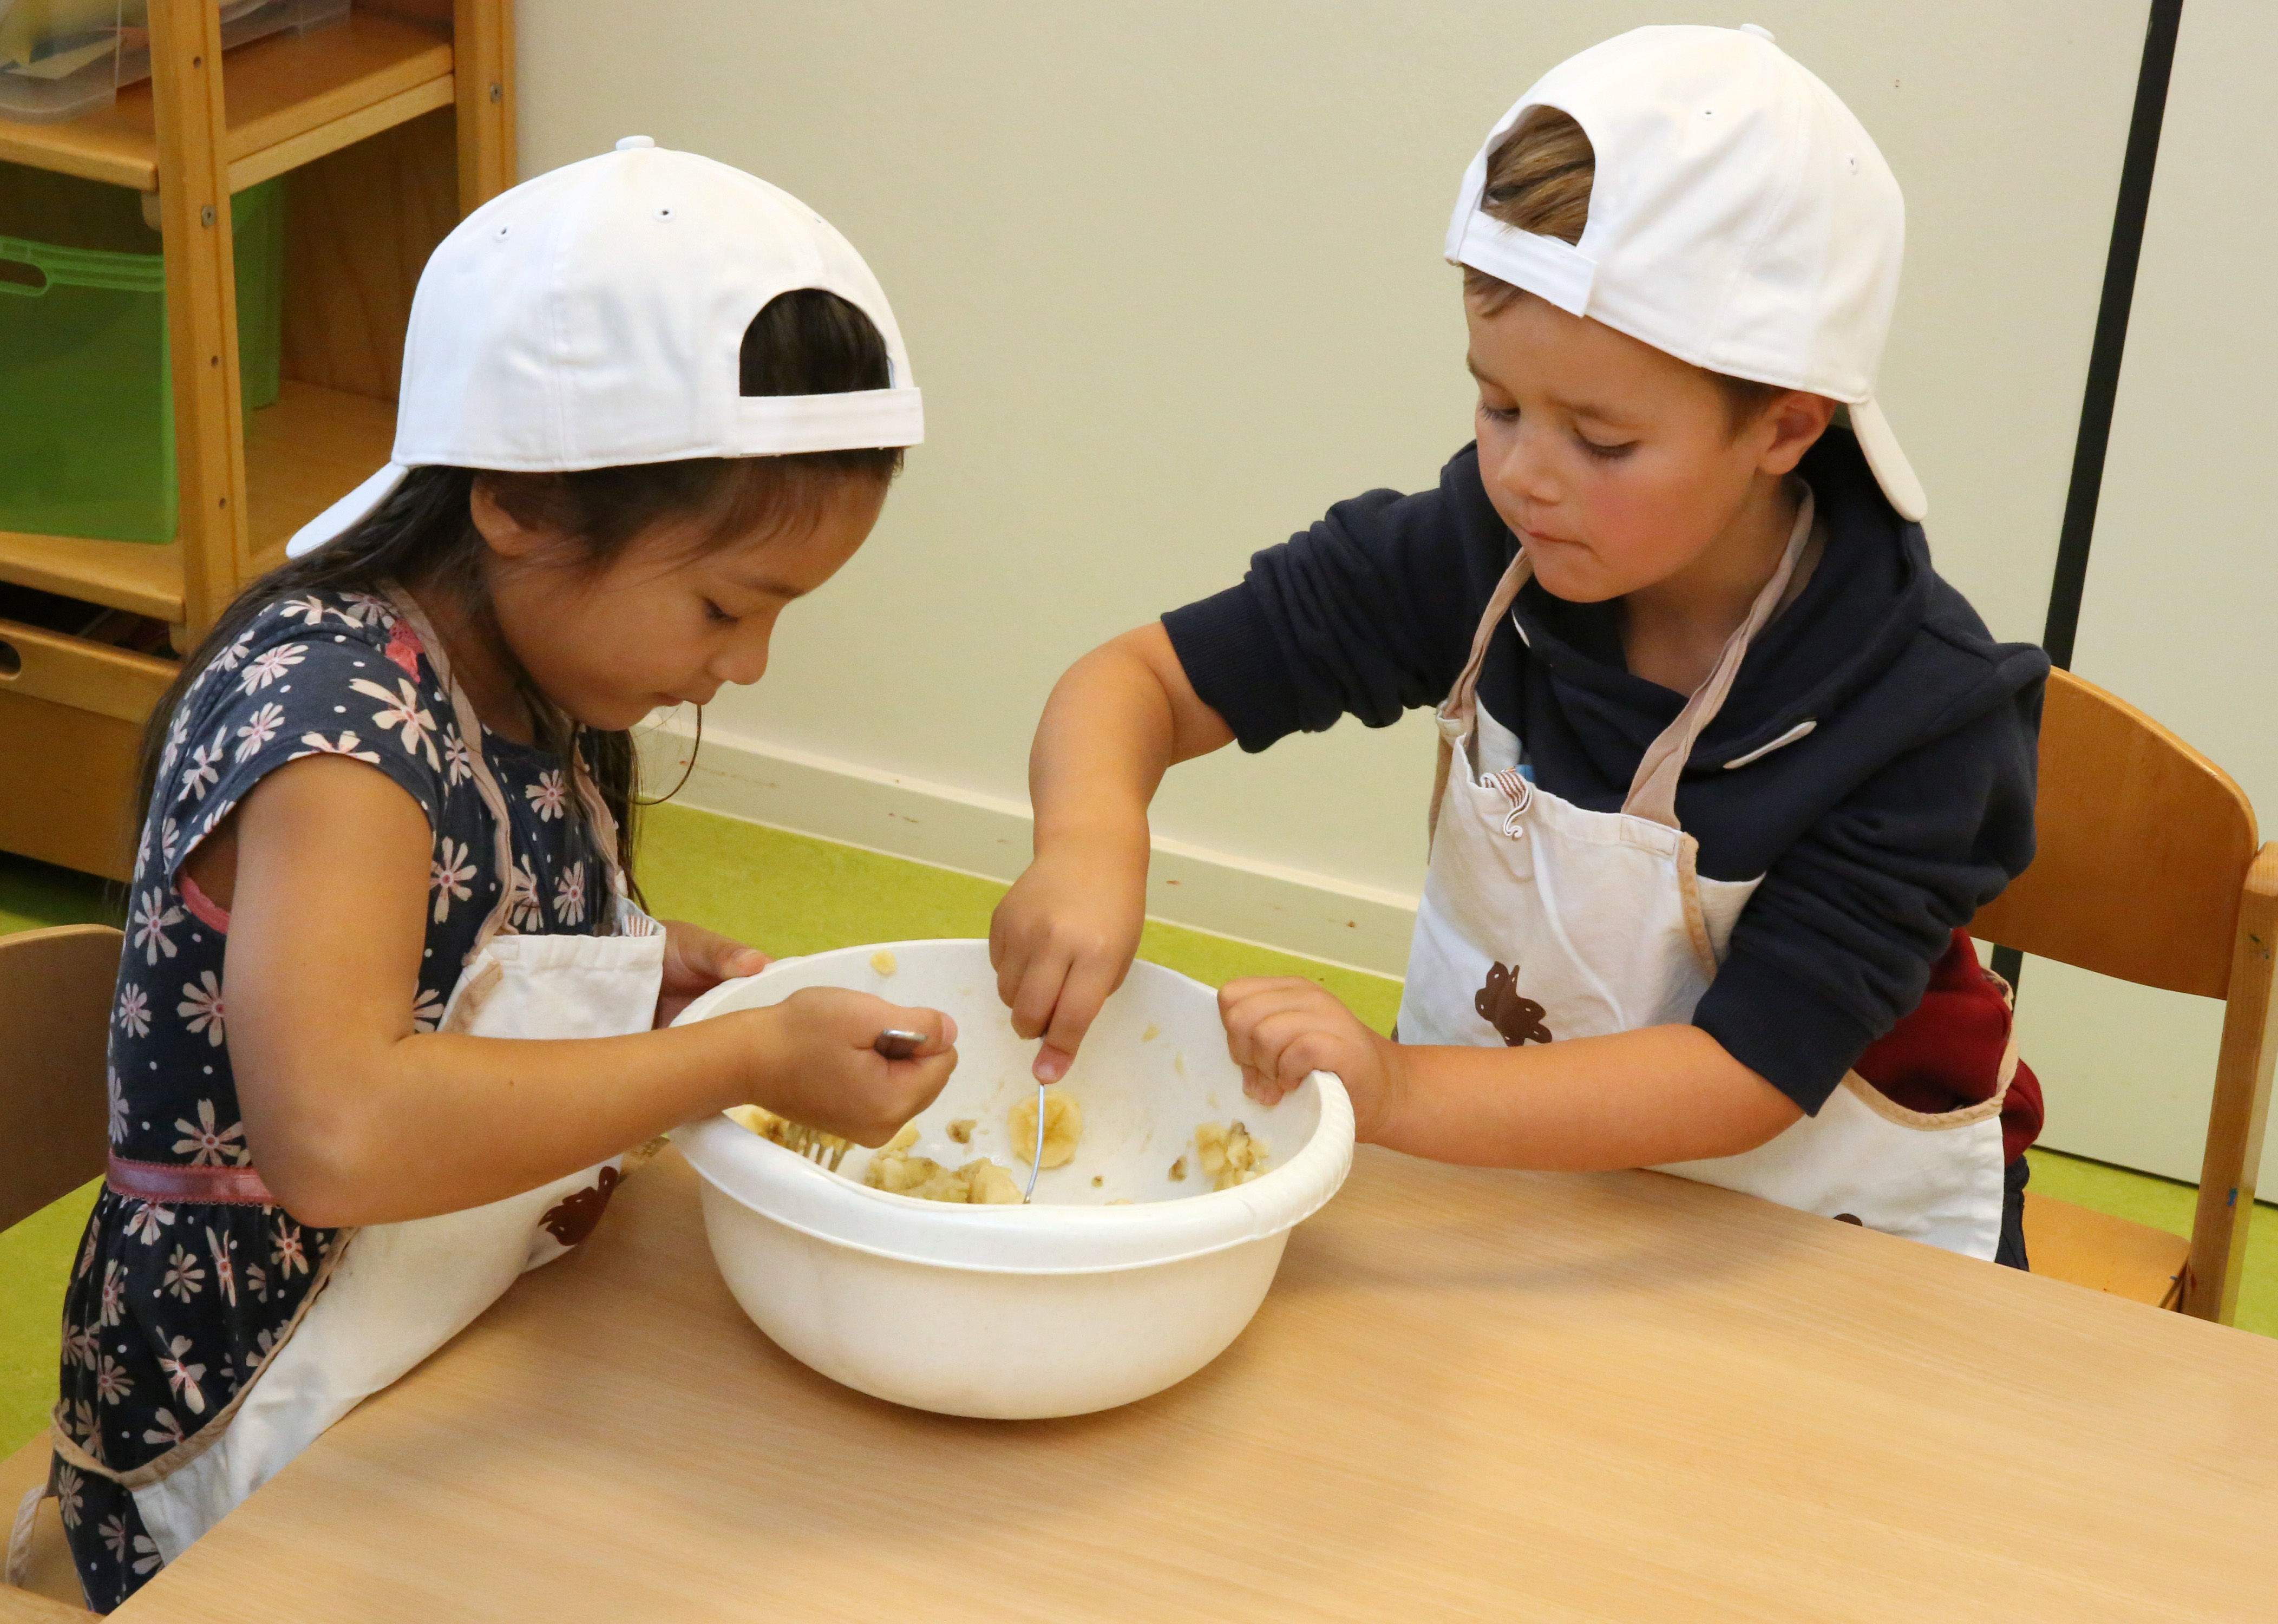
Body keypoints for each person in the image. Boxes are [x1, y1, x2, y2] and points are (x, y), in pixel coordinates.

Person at [24, 138, 955, 1610]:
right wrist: (736, 1061)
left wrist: (637, 974)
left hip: (457, 1334)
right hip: (261, 1417)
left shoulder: (529, 664)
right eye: (726, 606)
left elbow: (456, 936)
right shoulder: (339, 735)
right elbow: (340, 1133)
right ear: (519, 501)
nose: (749, 665)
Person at [990, 27, 2046, 1261]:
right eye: (1497, 404)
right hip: (1514, 1194)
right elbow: (1139, 683)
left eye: (1601, 441)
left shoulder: (1922, 715)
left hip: (1818, 1237)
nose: (1525, 476)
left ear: (1785, 427)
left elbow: (1747, 1073)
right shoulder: (1480, 551)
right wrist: (1089, 845)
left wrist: (1399, 1089)